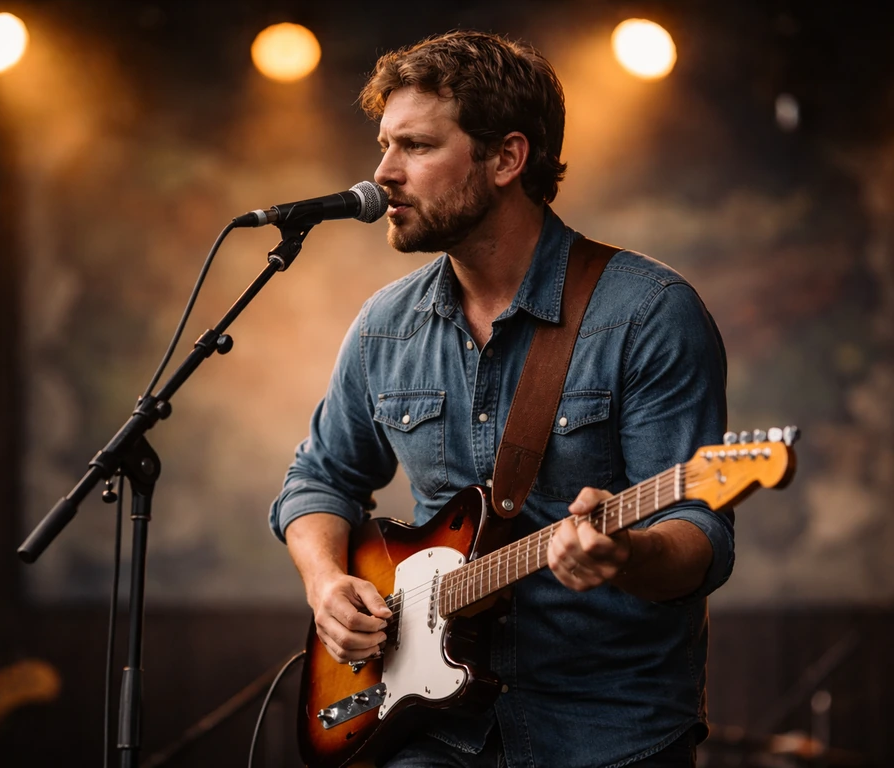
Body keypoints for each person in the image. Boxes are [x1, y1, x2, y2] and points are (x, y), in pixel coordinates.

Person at [269, 30, 732, 768]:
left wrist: (626, 553)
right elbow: (318, 480)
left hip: (606, 729)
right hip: (430, 727)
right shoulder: (386, 325)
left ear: (508, 158)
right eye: (384, 145)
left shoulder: (647, 312)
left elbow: (699, 532)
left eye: (416, 146)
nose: (383, 173)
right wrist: (326, 584)